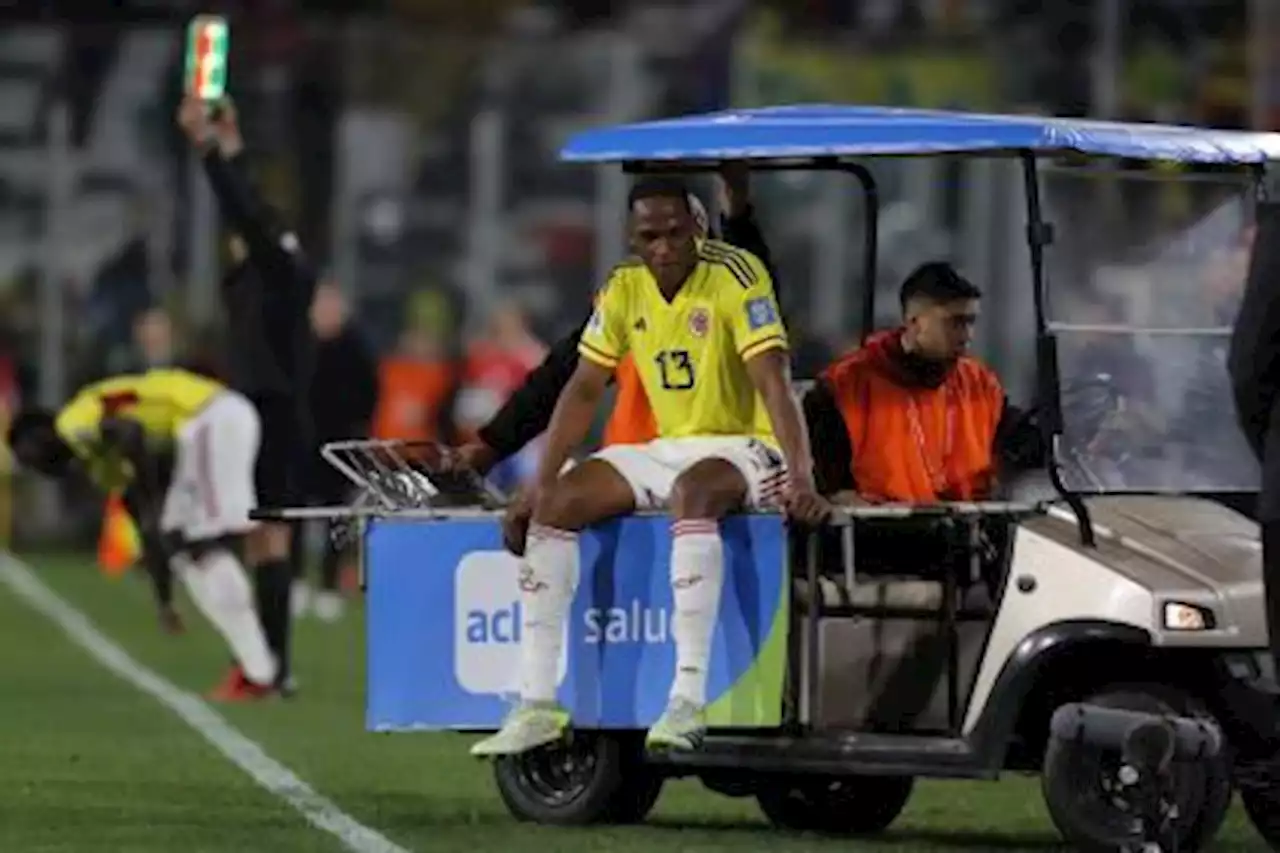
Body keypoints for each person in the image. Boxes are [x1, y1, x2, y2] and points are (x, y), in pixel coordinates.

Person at [469, 178, 827, 758]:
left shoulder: (738, 276)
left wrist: (802, 475)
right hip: (671, 445)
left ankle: (686, 701)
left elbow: (775, 383)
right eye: (649, 236)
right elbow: (582, 388)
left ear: (699, 227)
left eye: (676, 233)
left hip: (749, 446)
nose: (664, 248)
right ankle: (534, 704)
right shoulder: (623, 286)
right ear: (631, 239)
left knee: (693, 492)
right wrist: (536, 484)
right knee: (557, 503)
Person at [445, 165, 773, 551]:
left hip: (703, 473)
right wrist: (494, 445)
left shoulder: (729, 293)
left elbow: (755, 280)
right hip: (629, 472)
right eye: (651, 236)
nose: (664, 251)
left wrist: (737, 212)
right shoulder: (627, 300)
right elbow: (563, 377)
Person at [7, 368, 279, 700]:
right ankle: (255, 666)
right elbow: (145, 524)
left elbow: (131, 431)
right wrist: (164, 600)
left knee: (199, 542)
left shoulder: (73, 424)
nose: (34, 465)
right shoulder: (97, 463)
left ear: (39, 434)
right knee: (184, 547)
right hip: (207, 425)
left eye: (27, 454)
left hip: (211, 417)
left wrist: (152, 497)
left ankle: (260, 670)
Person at [178, 96, 315, 692]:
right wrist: (230, 145)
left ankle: (268, 666)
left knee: (253, 535)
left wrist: (208, 149)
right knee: (265, 537)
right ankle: (269, 667)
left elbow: (246, 211)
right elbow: (253, 212)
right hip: (271, 409)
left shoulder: (277, 269)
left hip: (269, 411)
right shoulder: (281, 268)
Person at [803, 262, 1042, 505]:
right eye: (955, 322)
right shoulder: (844, 387)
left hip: (970, 535)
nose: (968, 336)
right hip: (876, 536)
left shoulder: (981, 385)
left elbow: (1021, 445)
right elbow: (829, 487)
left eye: (971, 322)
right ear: (914, 322)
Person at [294, 282, 378, 621]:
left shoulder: (355, 347)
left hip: (340, 443)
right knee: (298, 513)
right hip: (302, 442)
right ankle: (297, 581)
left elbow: (369, 393)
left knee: (337, 514)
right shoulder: (300, 344)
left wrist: (357, 432)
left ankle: (329, 585)